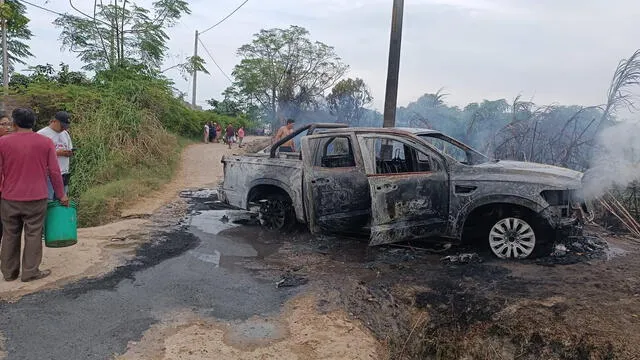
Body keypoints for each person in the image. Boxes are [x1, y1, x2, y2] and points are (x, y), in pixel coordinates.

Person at [0, 108, 68, 282]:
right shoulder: (45, 143)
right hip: (36, 198)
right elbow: (54, 171)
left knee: (10, 234)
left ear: (14, 124)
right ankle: (30, 272)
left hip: (9, 197)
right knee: (34, 234)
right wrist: (61, 195)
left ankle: (9, 273)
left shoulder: (3, 142)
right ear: (34, 123)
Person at [37, 111, 73, 200]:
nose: (63, 129)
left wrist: (69, 153)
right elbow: (36, 155)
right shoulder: (41, 134)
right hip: (49, 175)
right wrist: (57, 153)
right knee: (49, 201)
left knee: (62, 201)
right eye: (62, 126)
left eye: (65, 127)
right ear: (54, 121)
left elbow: (69, 148)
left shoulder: (65, 134)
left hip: (64, 173)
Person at [0, 114, 13, 247]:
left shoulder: (9, 144)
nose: (8, 127)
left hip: (6, 191)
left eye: (9, 124)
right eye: (4, 124)